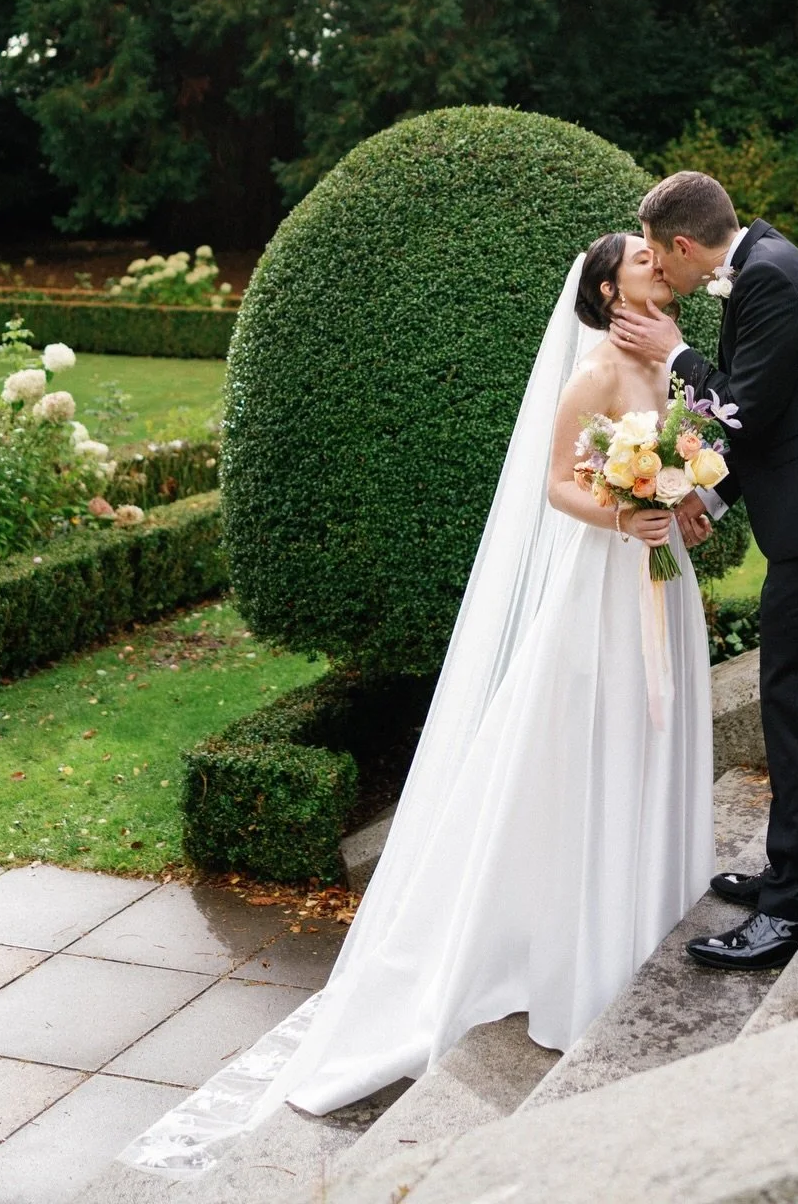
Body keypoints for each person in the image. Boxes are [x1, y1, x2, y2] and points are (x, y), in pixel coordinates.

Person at [118, 238, 713, 1173]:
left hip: (660, 578)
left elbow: (689, 460)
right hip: (599, 590)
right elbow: (556, 483)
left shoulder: (664, 361)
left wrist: (684, 503)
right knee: (598, 745)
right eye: (640, 257)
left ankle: (649, 901)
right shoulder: (595, 372)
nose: (655, 261)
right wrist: (623, 510)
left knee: (656, 734)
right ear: (608, 289)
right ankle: (580, 940)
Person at [611, 171, 798, 971]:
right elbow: (766, 421)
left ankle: (792, 906)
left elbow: (741, 408)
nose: (659, 273)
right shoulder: (763, 263)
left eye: (655, 255)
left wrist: (676, 355)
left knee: (796, 699)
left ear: (682, 246)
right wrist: (710, 502)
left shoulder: (768, 278)